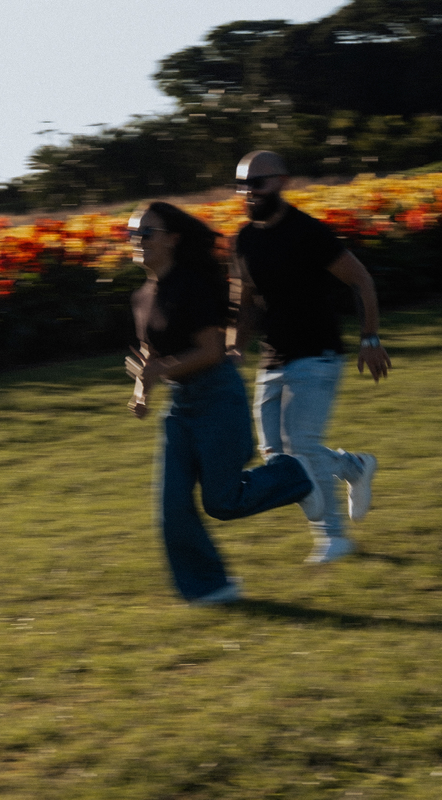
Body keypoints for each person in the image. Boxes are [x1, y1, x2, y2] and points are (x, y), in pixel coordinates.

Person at [126, 201, 323, 605]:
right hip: (180, 409)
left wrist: (158, 371)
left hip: (216, 397)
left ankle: (295, 475)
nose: (137, 240)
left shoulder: (191, 286)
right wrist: (141, 393)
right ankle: (211, 587)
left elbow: (212, 351)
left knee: (224, 500)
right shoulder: (142, 297)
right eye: (131, 233)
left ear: (172, 239)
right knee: (172, 508)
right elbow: (150, 352)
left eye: (146, 232)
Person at [229, 150, 391, 564]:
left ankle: (333, 539)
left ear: (282, 180)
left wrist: (370, 338)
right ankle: (353, 467)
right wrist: (235, 345)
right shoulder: (244, 239)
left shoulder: (308, 233)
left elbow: (361, 280)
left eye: (257, 183)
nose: (249, 192)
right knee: (277, 456)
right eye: (242, 185)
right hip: (272, 358)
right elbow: (245, 300)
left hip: (317, 354)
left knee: (301, 444)